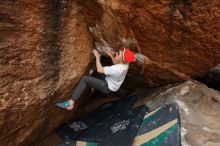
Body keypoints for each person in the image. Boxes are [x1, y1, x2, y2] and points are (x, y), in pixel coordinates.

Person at [56, 47, 136, 110]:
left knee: (85, 79)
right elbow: (117, 62)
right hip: (110, 80)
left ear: (122, 59)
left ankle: (71, 102)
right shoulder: (126, 64)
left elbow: (100, 70)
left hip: (107, 86)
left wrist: (97, 57)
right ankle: (93, 85)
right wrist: (111, 55)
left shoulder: (117, 69)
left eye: (118, 54)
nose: (116, 53)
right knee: (101, 68)